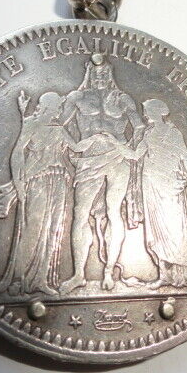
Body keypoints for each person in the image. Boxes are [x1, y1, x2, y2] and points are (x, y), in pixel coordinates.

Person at [0, 91, 107, 296]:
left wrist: (96, 138)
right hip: (37, 180)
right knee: (33, 228)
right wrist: (18, 183)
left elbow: (76, 148)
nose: (60, 110)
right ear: (49, 107)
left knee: (53, 229)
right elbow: (17, 153)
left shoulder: (59, 129)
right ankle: (19, 279)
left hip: (59, 181)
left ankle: (41, 280)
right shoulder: (31, 124)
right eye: (58, 106)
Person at [57, 53, 145, 293]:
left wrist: (128, 149)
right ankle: (78, 274)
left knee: (114, 211)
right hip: (89, 159)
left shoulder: (122, 99)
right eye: (96, 74)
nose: (100, 77)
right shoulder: (77, 98)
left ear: (111, 74)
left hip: (117, 158)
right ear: (88, 73)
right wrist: (76, 146)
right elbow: (57, 126)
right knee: (81, 212)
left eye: (105, 73)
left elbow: (139, 127)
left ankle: (108, 272)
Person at [137, 99, 187, 290]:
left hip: (170, 184)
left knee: (175, 229)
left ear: (157, 112)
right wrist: (111, 144)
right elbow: (135, 155)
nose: (145, 114)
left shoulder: (173, 133)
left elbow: (186, 158)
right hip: (151, 184)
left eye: (147, 110)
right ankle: (164, 275)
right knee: (156, 231)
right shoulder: (148, 133)